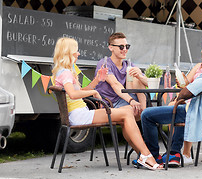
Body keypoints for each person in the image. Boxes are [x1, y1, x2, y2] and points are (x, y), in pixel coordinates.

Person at [52, 37, 162, 170]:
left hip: (81, 113)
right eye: (76, 51)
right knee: (127, 114)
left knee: (126, 115)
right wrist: (94, 92)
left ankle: (143, 155)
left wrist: (97, 80)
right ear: (68, 52)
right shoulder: (65, 73)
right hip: (79, 115)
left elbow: (80, 91)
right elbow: (73, 95)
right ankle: (146, 155)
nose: (78, 53)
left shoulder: (64, 72)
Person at [140, 34, 202, 167]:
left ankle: (153, 157)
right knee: (181, 110)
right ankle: (174, 154)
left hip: (201, 114)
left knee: (147, 115)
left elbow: (187, 92)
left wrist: (179, 97)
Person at [168, 34, 202, 165]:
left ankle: (185, 153)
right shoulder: (199, 66)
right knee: (172, 106)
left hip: (201, 102)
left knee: (180, 109)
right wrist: (182, 79)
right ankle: (175, 149)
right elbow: (186, 84)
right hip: (190, 98)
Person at [95, 32, 147, 120]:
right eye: (121, 47)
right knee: (129, 113)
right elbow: (115, 84)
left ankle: (144, 112)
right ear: (111, 47)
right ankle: (144, 115)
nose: (125, 49)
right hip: (110, 103)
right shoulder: (104, 63)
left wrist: (139, 76)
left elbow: (149, 83)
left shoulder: (128, 64)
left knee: (137, 79)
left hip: (124, 99)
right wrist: (131, 101)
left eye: (127, 46)